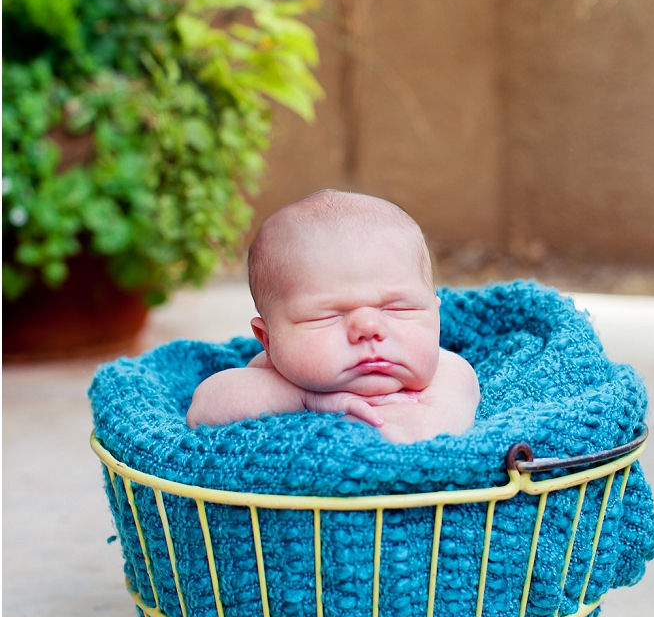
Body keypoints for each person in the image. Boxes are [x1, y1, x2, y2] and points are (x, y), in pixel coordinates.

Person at [187, 190, 480, 444]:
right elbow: (202, 409)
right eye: (327, 316)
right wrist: (309, 400)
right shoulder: (273, 374)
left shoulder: (446, 373)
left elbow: (439, 435)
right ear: (268, 340)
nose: (368, 328)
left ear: (436, 319)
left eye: (398, 309)